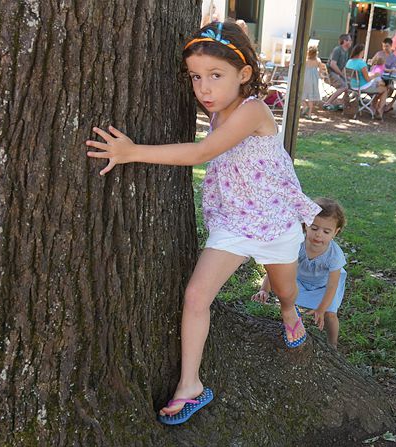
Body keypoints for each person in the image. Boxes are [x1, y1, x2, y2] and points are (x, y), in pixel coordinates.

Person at [86, 21, 321, 425]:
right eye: (196, 77)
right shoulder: (220, 106)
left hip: (274, 222)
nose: (204, 89)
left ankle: (287, 313)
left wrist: (131, 151)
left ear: (244, 74)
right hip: (233, 222)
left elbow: (201, 154)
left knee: (286, 288)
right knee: (196, 296)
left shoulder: (254, 110)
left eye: (216, 76)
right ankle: (190, 385)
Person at [253, 198, 347, 347]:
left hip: (324, 287)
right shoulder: (297, 244)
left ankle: (333, 343)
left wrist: (321, 308)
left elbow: (332, 286)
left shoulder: (335, 255)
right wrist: (264, 289)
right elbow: (278, 266)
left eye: (326, 231)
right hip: (300, 282)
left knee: (330, 314)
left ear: (335, 232)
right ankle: (293, 323)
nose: (318, 235)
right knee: (287, 299)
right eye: (314, 228)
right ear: (305, 225)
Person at [345, 43, 389, 118]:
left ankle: (373, 106)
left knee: (379, 84)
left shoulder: (349, 61)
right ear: (361, 52)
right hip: (362, 87)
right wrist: (375, 75)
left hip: (352, 86)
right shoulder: (361, 63)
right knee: (385, 89)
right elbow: (367, 79)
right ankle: (379, 110)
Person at [323, 34, 353, 111]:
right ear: (345, 41)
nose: (351, 42)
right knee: (344, 86)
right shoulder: (338, 50)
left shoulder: (346, 52)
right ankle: (327, 103)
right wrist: (341, 74)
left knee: (350, 84)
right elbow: (333, 64)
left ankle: (342, 103)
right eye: (349, 40)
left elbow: (343, 67)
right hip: (330, 73)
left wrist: (345, 77)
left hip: (337, 74)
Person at [301, 46, 327, 118]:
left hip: (306, 79)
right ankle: (309, 114)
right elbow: (321, 71)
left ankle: (305, 105)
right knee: (311, 97)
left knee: (301, 93)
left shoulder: (305, 60)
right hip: (314, 80)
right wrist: (321, 76)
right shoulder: (318, 60)